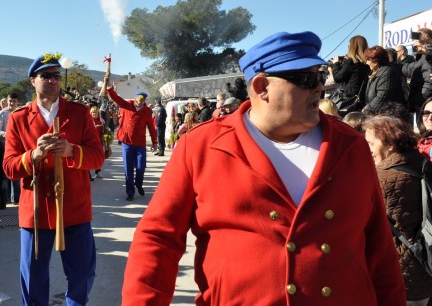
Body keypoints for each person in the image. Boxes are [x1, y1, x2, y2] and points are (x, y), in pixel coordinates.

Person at [122, 31, 405, 304]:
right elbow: (158, 239)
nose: (319, 86)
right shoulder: (201, 146)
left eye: (319, 76)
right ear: (261, 87)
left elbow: (379, 248)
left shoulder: (350, 147)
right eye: (305, 79)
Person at [3, 54, 104, 306]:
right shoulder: (18, 118)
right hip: (36, 213)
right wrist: (34, 155)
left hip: (74, 208)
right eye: (45, 76)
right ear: (32, 81)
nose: (52, 81)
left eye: (56, 76)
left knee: (82, 273)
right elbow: (9, 167)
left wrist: (71, 151)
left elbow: (97, 158)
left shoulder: (80, 113)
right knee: (33, 277)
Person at [364, 115, 432, 304]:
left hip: (398, 270)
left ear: (390, 145)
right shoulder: (424, 164)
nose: (367, 149)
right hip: (425, 261)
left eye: (371, 143)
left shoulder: (383, 178)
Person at [105, 83, 157, 201]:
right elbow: (116, 98)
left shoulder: (147, 111)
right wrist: (109, 88)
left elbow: (152, 128)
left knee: (141, 167)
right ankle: (130, 192)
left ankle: (138, 183)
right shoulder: (127, 105)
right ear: (135, 98)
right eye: (138, 99)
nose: (140, 102)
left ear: (145, 101)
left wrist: (155, 142)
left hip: (140, 143)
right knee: (128, 168)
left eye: (142, 100)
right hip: (127, 142)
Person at [329, 35, 370, 110]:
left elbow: (338, 78)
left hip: (348, 100)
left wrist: (336, 64)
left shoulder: (351, 62)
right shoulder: (368, 63)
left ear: (352, 47)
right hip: (362, 99)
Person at [363, 45, 406, 113]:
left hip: (389, 115)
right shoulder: (374, 72)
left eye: (368, 60)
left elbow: (382, 97)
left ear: (375, 61)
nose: (366, 63)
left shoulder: (388, 72)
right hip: (377, 113)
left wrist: (367, 110)